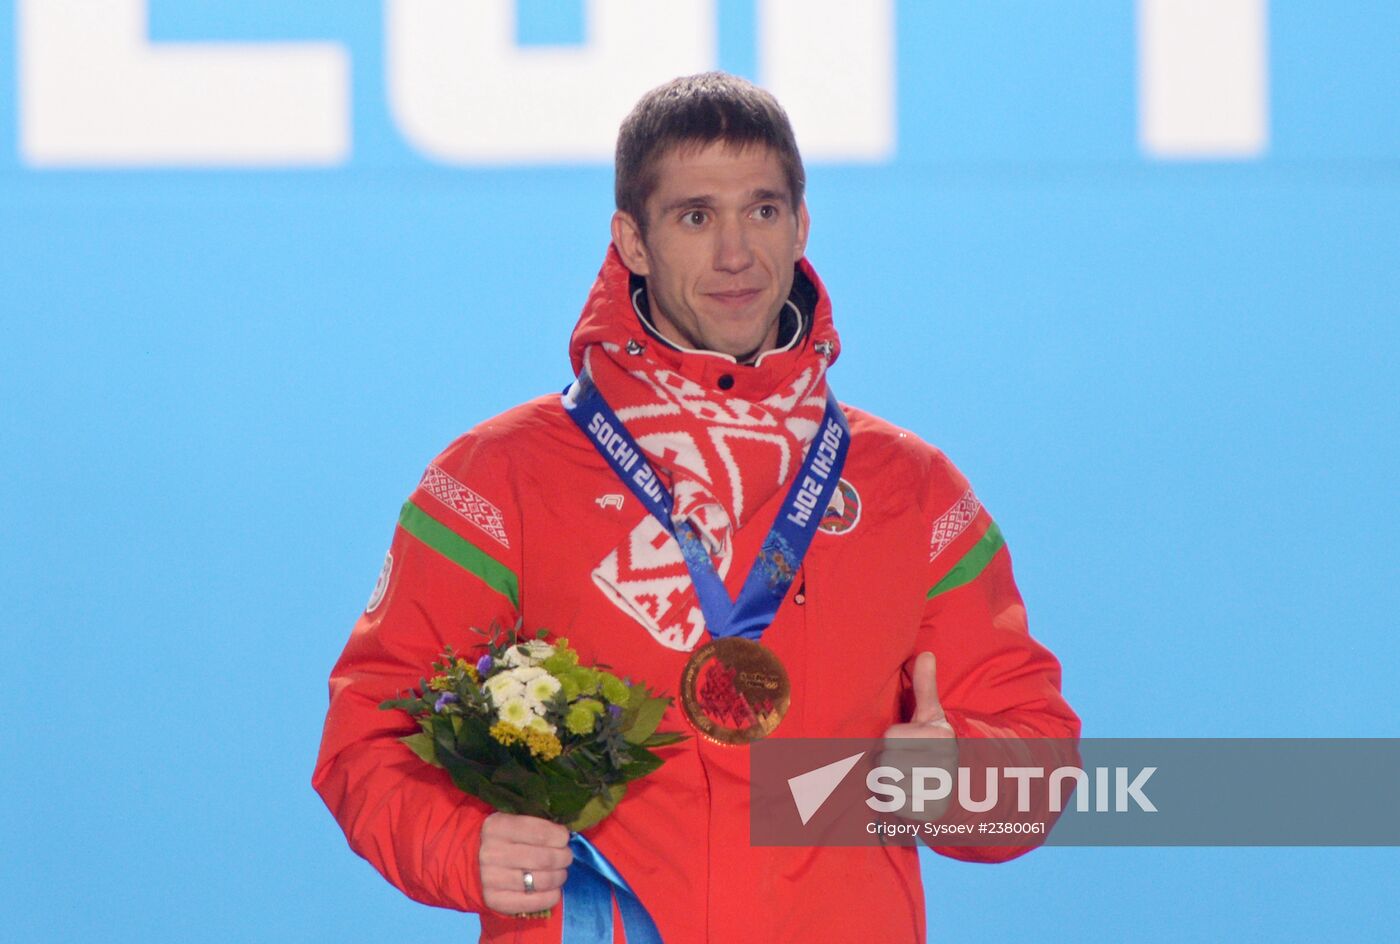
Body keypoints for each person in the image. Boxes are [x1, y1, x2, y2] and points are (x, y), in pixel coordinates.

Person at [313, 72, 1079, 943]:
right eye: (694, 216)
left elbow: (1041, 756)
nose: (735, 255)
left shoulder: (910, 489)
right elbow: (368, 736)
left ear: (802, 226)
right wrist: (463, 844)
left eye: (762, 211)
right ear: (631, 241)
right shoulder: (501, 480)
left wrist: (964, 778)